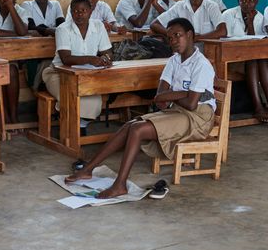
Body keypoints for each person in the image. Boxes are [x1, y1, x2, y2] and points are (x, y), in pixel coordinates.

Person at [65, 17, 216, 199]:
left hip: (198, 117)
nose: (174, 41)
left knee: (137, 130)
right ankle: (88, 169)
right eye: (170, 38)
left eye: (178, 35)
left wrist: (175, 95)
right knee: (130, 125)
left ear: (190, 35)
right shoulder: (174, 60)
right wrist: (184, 93)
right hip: (178, 111)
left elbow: (192, 104)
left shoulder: (201, 64)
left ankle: (120, 185)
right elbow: (159, 96)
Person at [41, 0, 112, 131]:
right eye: (75, 11)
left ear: (90, 11)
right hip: (59, 73)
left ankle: (79, 125)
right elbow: (66, 59)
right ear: (70, 11)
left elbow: (108, 52)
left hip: (85, 74)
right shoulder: (63, 29)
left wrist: (106, 59)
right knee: (69, 96)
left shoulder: (98, 26)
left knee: (94, 100)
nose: (79, 15)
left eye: (83, 11)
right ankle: (72, 129)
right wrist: (91, 59)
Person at [222, 0, 268, 123]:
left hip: (250, 60)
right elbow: (223, 40)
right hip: (231, 61)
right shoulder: (228, 15)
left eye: (251, 0)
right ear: (238, 1)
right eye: (243, 0)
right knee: (254, 60)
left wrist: (250, 24)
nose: (247, 3)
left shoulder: (260, 18)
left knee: (258, 59)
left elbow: (257, 45)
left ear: (257, 1)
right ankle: (259, 107)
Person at [21, 0, 65, 90]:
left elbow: (62, 25)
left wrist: (41, 30)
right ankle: (35, 85)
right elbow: (30, 26)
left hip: (52, 47)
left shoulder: (55, 5)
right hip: (33, 48)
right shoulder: (27, 5)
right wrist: (49, 30)